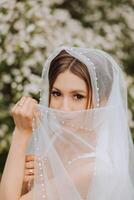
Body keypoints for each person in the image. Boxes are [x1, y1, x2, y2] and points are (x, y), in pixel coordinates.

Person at [0, 46, 134, 200]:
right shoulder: (55, 139)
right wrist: (24, 184)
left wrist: (21, 133)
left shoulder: (94, 168)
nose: (63, 108)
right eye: (56, 94)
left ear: (102, 101)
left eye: (77, 96)